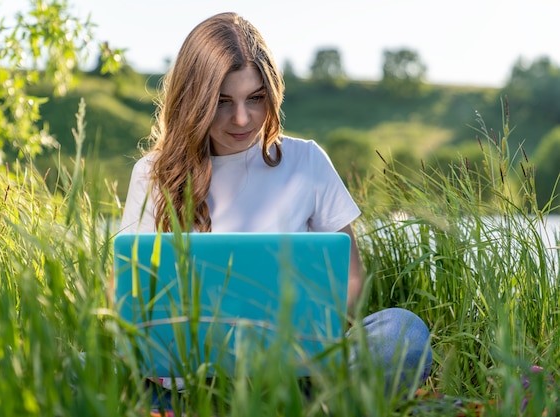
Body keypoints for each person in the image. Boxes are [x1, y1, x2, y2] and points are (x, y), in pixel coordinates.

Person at [119, 11, 431, 397]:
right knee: (79, 366)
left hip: (298, 375)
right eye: (222, 102)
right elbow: (131, 299)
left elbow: (352, 281)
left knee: (403, 334)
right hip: (192, 382)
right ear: (193, 101)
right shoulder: (153, 173)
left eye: (256, 98)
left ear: (272, 93)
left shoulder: (307, 161)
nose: (242, 118)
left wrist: (312, 331)